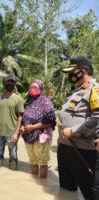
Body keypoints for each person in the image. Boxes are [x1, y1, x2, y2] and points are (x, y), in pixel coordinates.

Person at [58, 56, 99, 200]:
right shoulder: (76, 90)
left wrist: (73, 130)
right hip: (65, 146)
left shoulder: (95, 89)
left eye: (73, 71)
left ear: (84, 70)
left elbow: (97, 118)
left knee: (90, 192)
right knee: (66, 188)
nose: (71, 75)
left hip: (81, 149)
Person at [21, 80, 55, 178]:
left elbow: (50, 120)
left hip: (41, 136)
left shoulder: (46, 101)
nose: (33, 89)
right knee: (33, 161)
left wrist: (32, 127)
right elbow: (24, 116)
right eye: (31, 87)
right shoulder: (28, 101)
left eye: (36, 87)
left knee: (42, 162)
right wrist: (23, 127)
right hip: (28, 135)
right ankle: (34, 184)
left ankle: (43, 183)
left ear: (41, 89)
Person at [0, 75, 24, 170]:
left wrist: (16, 133)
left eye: (12, 83)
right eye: (8, 83)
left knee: (13, 157)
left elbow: (20, 117)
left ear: (14, 84)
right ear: (4, 84)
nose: (10, 84)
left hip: (12, 132)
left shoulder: (18, 99)